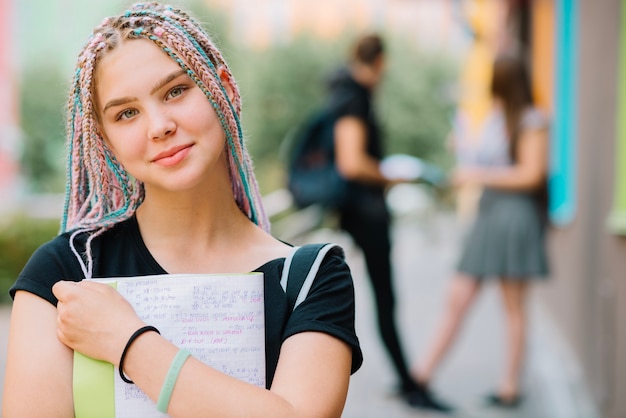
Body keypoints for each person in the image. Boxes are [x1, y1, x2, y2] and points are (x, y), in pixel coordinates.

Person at [2, 3, 363, 417]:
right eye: (127, 113)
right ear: (107, 142)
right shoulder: (66, 274)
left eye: (175, 91)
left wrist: (129, 344)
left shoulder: (311, 279)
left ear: (223, 87)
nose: (159, 126)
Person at [410, 53, 550, 408]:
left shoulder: (532, 120)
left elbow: (531, 175)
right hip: (488, 214)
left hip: (514, 216)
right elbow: (488, 163)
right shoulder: (494, 117)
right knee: (458, 297)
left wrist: (478, 174)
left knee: (513, 305)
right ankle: (420, 375)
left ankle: (509, 386)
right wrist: (465, 153)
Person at [327, 33, 451, 412]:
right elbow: (352, 162)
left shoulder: (343, 92)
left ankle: (407, 380)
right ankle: (410, 385)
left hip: (359, 210)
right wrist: (391, 175)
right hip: (366, 211)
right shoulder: (354, 98)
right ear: (379, 62)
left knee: (384, 298)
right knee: (385, 297)